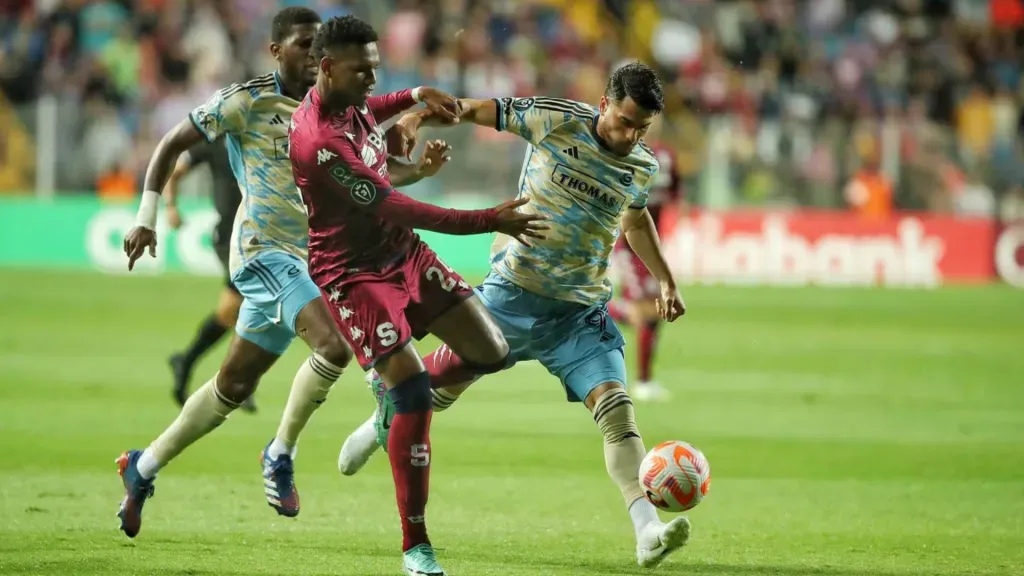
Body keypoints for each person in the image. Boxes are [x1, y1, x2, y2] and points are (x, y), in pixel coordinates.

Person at [338, 62, 691, 568]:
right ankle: (379, 426)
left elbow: (635, 219)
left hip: (579, 312)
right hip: (512, 297)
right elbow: (472, 110)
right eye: (625, 121)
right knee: (431, 390)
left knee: (617, 414)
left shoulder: (641, 165)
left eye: (642, 128)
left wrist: (665, 278)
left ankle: (647, 531)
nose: (630, 134)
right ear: (605, 104)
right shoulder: (554, 119)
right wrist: (416, 118)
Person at [288, 15, 548, 576]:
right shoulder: (319, 142)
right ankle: (416, 546)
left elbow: (372, 114)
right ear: (328, 68)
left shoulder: (347, 97)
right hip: (353, 276)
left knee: (492, 351)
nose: (371, 81)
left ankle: (393, 398)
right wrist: (487, 220)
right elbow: (391, 203)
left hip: (401, 253)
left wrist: (411, 98)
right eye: (363, 72)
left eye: (376, 69)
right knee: (413, 396)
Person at [116, 7, 357, 538]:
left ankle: (143, 465)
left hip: (305, 258)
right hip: (261, 253)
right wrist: (147, 217)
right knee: (335, 347)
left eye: (320, 45)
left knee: (231, 385)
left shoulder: (333, 111)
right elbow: (172, 144)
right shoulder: (246, 100)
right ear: (277, 50)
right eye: (303, 43)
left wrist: (415, 169)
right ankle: (280, 452)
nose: (314, 52)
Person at [162, 138, 256, 413]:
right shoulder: (216, 140)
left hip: (256, 236)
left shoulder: (261, 132)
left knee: (233, 311)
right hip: (229, 238)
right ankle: (239, 377)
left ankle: (189, 361)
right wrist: (170, 206)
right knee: (247, 305)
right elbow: (176, 171)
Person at [606, 117, 682, 402]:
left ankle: (645, 380)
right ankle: (642, 382)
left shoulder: (667, 156)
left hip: (651, 247)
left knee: (655, 313)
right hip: (628, 245)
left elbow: (676, 194)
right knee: (648, 312)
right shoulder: (625, 152)